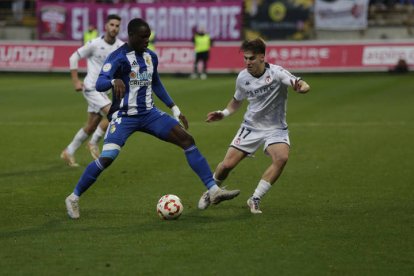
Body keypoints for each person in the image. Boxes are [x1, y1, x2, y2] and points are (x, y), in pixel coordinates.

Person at [64, 18, 240, 219]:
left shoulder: (150, 57)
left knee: (187, 141)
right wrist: (114, 80)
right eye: (143, 37)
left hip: (150, 114)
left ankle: (213, 191)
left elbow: (156, 82)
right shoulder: (118, 57)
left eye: (148, 37)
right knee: (106, 158)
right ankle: (74, 197)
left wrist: (174, 107)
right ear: (131, 36)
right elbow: (100, 82)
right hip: (125, 116)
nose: (147, 41)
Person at [198, 38, 310, 214]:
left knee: (281, 158)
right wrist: (224, 113)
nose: (247, 62)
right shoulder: (242, 77)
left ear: (262, 58)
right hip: (251, 126)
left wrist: (302, 88)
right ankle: (210, 191)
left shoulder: (277, 73)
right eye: (245, 58)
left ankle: (255, 198)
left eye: (251, 58)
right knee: (226, 166)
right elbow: (236, 101)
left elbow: (302, 84)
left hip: (275, 128)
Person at [61, 14, 124, 167]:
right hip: (91, 88)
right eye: (112, 25)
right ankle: (94, 143)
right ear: (106, 26)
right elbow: (73, 57)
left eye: (117, 26)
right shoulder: (94, 44)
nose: (114, 28)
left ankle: (68, 152)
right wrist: (76, 80)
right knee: (114, 113)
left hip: (105, 91)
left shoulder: (120, 46)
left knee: (91, 126)